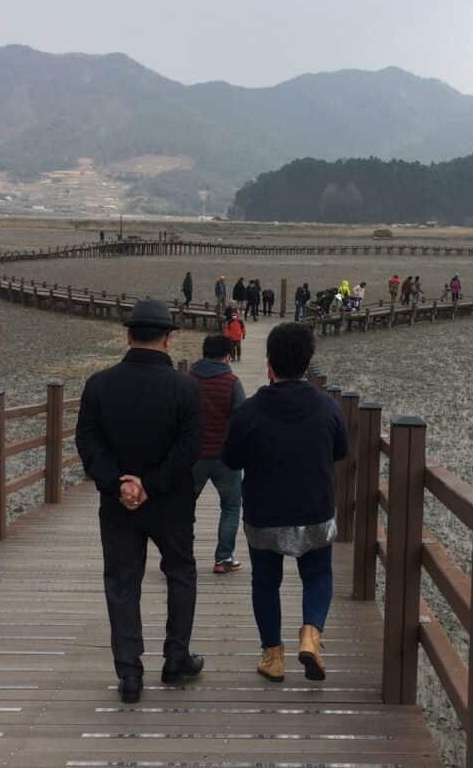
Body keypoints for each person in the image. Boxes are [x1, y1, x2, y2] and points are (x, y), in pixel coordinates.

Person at [74, 300, 204, 705]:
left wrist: (120, 485)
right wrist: (152, 484)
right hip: (172, 502)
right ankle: (175, 658)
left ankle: (130, 673)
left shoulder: (99, 384)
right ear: (168, 338)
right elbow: (189, 449)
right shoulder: (186, 387)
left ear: (128, 335)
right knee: (180, 572)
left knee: (122, 582)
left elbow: (87, 442)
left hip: (118, 505)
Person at [221, 323, 347, 683]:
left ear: (268, 364)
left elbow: (230, 459)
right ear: (308, 363)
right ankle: (310, 635)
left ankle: (273, 657)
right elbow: (341, 450)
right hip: (314, 509)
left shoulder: (250, 411)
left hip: (265, 511)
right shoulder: (328, 407)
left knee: (265, 582)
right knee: (318, 575)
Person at [189, 335, 248, 575]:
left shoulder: (187, 380)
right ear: (227, 356)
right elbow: (241, 420)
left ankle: (178, 555)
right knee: (231, 506)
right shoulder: (232, 382)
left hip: (193, 456)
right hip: (225, 456)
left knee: (183, 506)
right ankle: (224, 558)